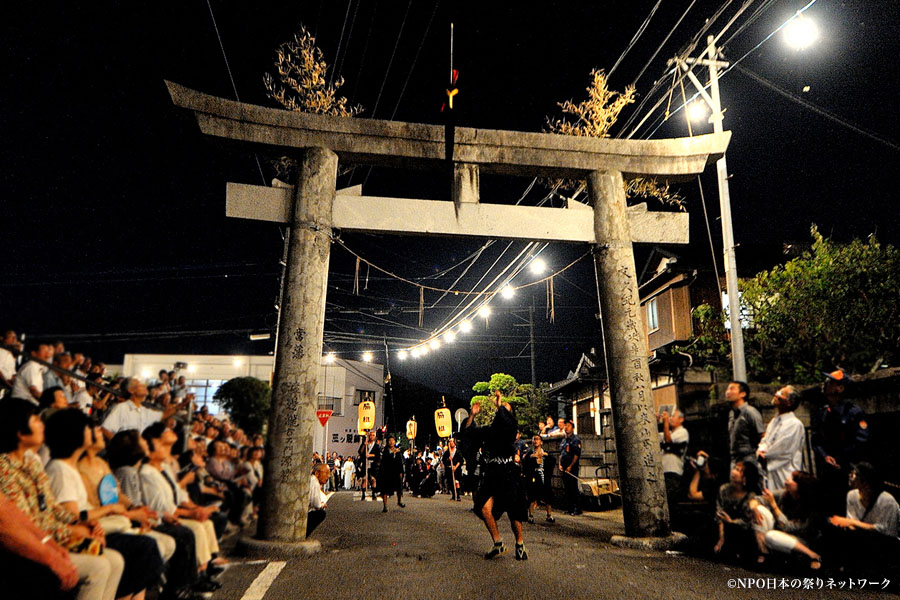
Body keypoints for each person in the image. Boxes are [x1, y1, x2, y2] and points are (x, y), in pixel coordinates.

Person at [0, 398, 125, 600]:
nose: (42, 424)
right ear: (20, 432)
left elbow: (52, 507)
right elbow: (25, 522)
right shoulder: (4, 469)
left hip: (48, 536)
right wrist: (72, 532)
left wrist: (84, 523)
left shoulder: (32, 462)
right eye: (35, 420)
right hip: (21, 551)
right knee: (99, 567)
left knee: (115, 560)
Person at [44, 409, 164, 600]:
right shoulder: (60, 469)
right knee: (143, 548)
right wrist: (109, 511)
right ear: (75, 433)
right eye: (88, 427)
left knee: (140, 551)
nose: (95, 431)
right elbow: (72, 517)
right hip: (77, 535)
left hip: (95, 527)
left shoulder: (70, 467)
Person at [463, 390, 528, 560]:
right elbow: (469, 432)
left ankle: (520, 545)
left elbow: (508, 421)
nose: (502, 411)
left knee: (514, 512)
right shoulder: (490, 430)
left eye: (506, 410)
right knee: (483, 507)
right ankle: (498, 543)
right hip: (492, 474)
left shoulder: (510, 428)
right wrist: (472, 415)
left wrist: (500, 405)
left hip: (508, 474)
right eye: (501, 409)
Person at [811, 369, 870, 515]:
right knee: (830, 507)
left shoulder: (853, 412)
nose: (826, 385)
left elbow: (861, 440)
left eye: (831, 382)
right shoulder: (822, 413)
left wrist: (840, 458)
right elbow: (815, 439)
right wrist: (825, 456)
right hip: (827, 469)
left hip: (847, 467)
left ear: (840, 388)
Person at [824, 462, 900, 574]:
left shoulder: (886, 500)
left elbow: (885, 530)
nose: (851, 477)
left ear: (865, 481)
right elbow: (852, 523)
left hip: (885, 542)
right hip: (863, 537)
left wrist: (849, 522)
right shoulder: (852, 495)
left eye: (855, 475)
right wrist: (845, 524)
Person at [756, 471, 824, 569]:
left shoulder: (810, 509)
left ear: (802, 487)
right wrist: (754, 506)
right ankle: (763, 552)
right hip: (779, 532)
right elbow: (757, 499)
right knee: (759, 510)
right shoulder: (784, 494)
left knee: (771, 536)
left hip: (800, 540)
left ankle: (812, 555)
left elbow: (787, 527)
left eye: (793, 480)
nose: (788, 479)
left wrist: (774, 505)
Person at [713, 460, 764, 562]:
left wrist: (731, 522)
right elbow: (719, 513)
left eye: (738, 470)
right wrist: (721, 537)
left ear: (745, 478)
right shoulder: (724, 489)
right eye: (735, 468)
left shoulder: (750, 496)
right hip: (723, 526)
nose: (733, 471)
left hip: (741, 529)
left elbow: (747, 522)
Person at [756, 386, 805, 491]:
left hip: (785, 470)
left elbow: (783, 449)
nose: (776, 394)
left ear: (789, 402)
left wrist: (765, 455)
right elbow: (766, 440)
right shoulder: (774, 421)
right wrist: (761, 450)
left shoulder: (794, 424)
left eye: (782, 393)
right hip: (769, 470)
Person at [102, 378, 174, 439]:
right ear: (131, 390)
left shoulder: (142, 410)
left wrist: (181, 405)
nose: (143, 386)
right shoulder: (121, 408)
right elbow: (106, 430)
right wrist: (122, 447)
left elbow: (162, 415)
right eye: (139, 385)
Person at [726, 381, 764, 469]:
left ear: (742, 394)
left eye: (732, 389)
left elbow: (762, 435)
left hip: (749, 458)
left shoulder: (750, 412)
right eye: (727, 389)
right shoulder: (731, 413)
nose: (727, 391)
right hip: (734, 459)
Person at [522, 435, 553, 524]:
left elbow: (552, 460)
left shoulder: (545, 453)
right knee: (532, 496)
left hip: (544, 476)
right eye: (534, 439)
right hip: (534, 476)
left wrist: (545, 455)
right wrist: (532, 457)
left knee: (548, 496)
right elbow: (525, 463)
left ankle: (549, 515)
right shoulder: (529, 453)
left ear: (541, 442)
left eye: (537, 439)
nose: (535, 441)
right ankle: (531, 515)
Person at [658, 409, 689, 500]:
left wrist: (666, 422)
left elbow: (668, 440)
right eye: (669, 417)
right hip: (664, 472)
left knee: (669, 500)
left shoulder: (683, 432)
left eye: (673, 416)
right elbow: (655, 437)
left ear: (681, 419)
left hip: (673, 473)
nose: (670, 419)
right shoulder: (669, 432)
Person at [10, 339, 53, 404]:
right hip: (22, 405)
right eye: (44, 351)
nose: (47, 354)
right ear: (34, 353)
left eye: (47, 351)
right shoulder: (32, 366)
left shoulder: (38, 367)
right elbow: (34, 391)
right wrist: (50, 403)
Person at [558, 418, 582, 516]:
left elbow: (576, 454)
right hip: (563, 467)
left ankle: (577, 508)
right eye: (565, 426)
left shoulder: (575, 439)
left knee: (573, 488)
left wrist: (570, 466)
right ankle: (569, 507)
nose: (566, 428)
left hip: (572, 468)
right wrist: (560, 464)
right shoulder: (564, 440)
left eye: (568, 426)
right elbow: (561, 453)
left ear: (572, 428)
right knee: (567, 488)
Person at [377, 435, 405, 512]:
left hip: (396, 472)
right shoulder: (385, 451)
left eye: (393, 440)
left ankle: (399, 501)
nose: (391, 442)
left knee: (399, 488)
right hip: (387, 472)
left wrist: (401, 472)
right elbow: (385, 461)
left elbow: (400, 463)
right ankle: (385, 506)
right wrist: (392, 453)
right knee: (385, 489)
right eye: (390, 440)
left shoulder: (398, 451)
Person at [356, 431, 380, 501]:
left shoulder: (376, 446)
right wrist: (364, 445)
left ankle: (373, 493)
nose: (372, 436)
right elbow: (360, 452)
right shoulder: (365, 444)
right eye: (371, 435)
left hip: (373, 464)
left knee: (373, 479)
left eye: (373, 435)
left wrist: (371, 455)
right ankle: (363, 494)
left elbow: (378, 455)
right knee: (364, 479)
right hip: (365, 463)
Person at [307, 464, 330, 537]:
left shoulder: (312, 480)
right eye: (326, 473)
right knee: (320, 513)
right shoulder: (314, 482)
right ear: (317, 473)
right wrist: (322, 505)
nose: (328, 476)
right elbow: (317, 504)